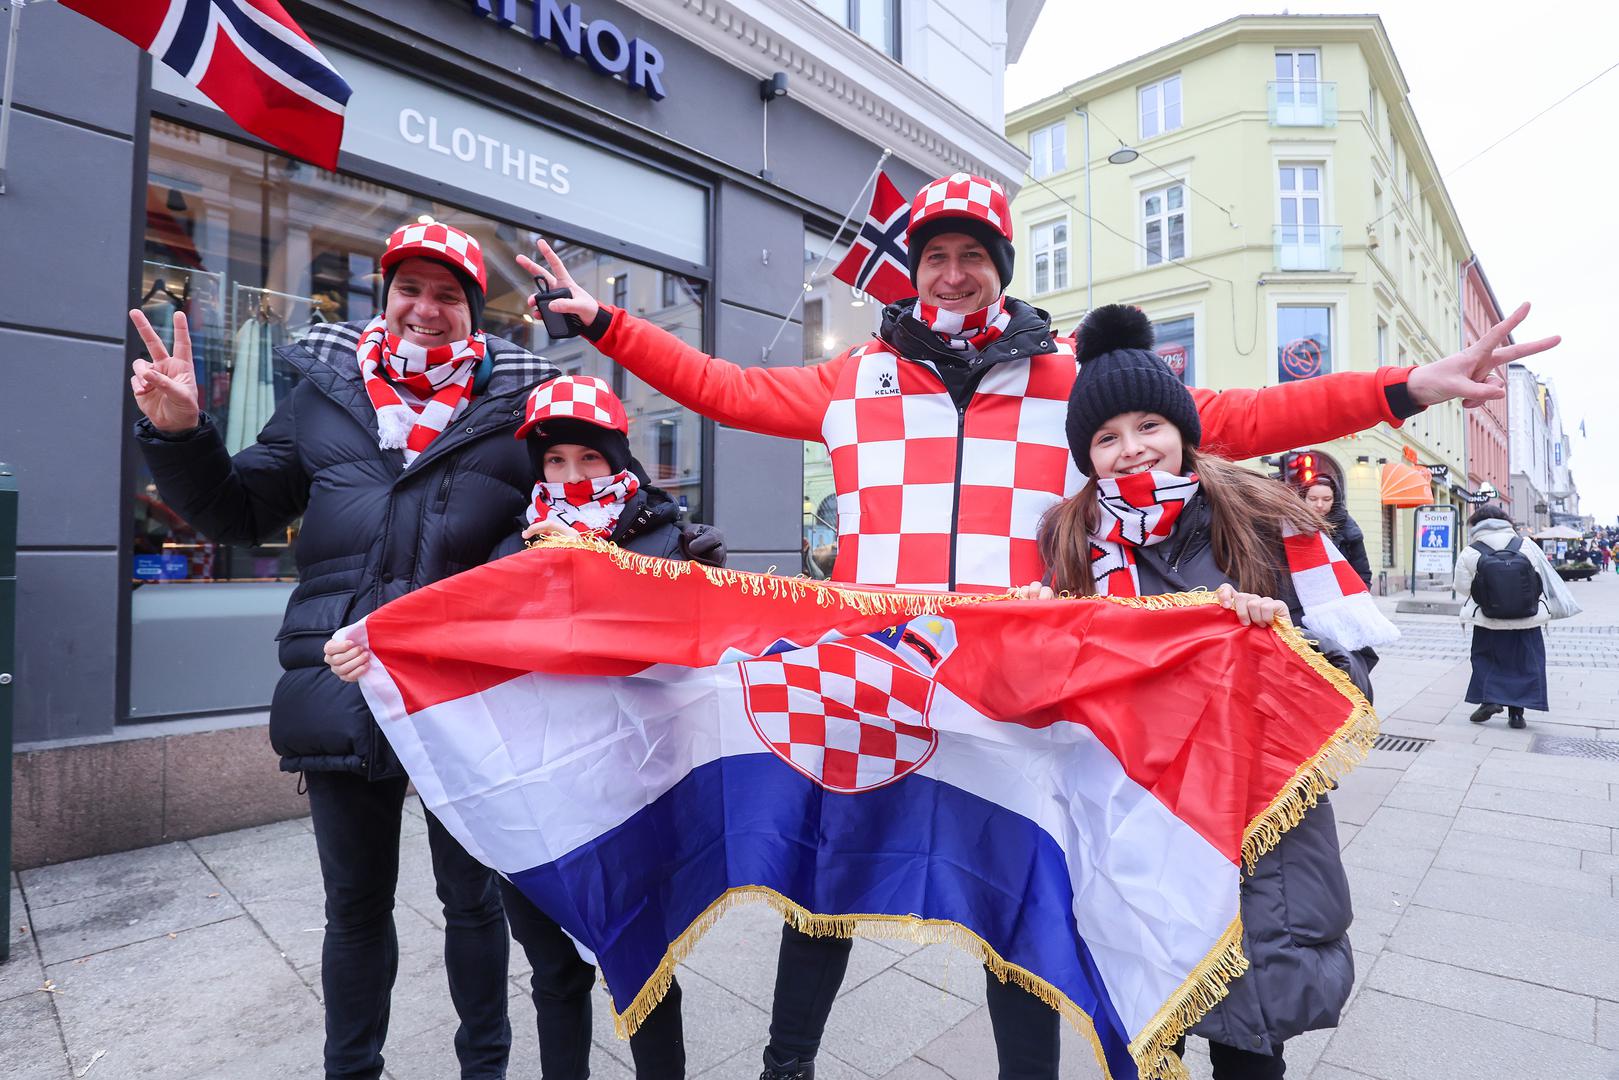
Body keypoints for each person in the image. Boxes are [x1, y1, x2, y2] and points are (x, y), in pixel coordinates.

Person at [517, 170, 1556, 1080]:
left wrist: (1403, 388)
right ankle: (785, 1066)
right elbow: (720, 388)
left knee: (1013, 899)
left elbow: (1238, 416)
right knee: (819, 881)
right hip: (871, 672)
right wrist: (607, 325)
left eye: (972, 255)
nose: (952, 274)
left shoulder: (1070, 379)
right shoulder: (853, 377)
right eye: (935, 256)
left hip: (1012, 685)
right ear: (911, 270)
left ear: (1001, 267)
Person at [329, 374, 718, 1079]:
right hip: (537, 801)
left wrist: (599, 564)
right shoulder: (508, 548)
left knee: (643, 968)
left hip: (633, 799)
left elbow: (684, 639)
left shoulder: (672, 539)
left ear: (618, 458)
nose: (571, 475)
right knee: (554, 972)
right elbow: (454, 635)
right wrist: (370, 646)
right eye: (555, 461)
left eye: (589, 458)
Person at [1024, 304, 1374, 1080]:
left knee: (1250, 1045)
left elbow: (1351, 684)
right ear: (1086, 454)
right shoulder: (1066, 540)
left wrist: (1280, 642)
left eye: (1147, 425)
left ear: (1181, 430)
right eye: (1105, 437)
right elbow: (1052, 694)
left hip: (1255, 831)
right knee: (1146, 1039)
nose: (1129, 449)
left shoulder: (1265, 518)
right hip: (1130, 824)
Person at [1453, 504, 1579, 729]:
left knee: (1487, 660)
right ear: (1506, 522)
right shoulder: (1526, 545)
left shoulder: (1470, 551)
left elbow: (1462, 587)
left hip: (1488, 619)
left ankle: (1490, 700)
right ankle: (1517, 715)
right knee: (1524, 663)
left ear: (1476, 525)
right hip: (1527, 618)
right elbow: (1541, 579)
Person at [1300, 474, 1372, 588]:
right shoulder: (1291, 526)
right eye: (1313, 499)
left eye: (1326, 499)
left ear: (1335, 500)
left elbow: (1362, 573)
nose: (1319, 505)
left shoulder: (1349, 529)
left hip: (1340, 593)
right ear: (1303, 498)